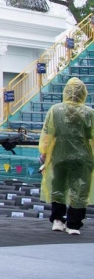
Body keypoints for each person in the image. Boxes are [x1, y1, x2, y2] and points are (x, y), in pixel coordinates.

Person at [38, 77, 94, 235]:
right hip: (82, 158)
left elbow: (47, 134)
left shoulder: (55, 110)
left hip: (59, 156)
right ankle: (74, 224)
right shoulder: (89, 113)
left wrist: (44, 153)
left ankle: (57, 220)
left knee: (58, 187)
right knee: (80, 189)